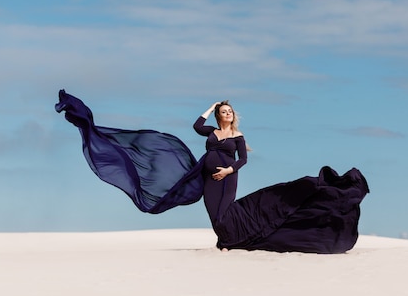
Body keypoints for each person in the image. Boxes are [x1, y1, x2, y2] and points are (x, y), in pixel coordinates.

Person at [55, 90, 369, 254]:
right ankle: (231, 242)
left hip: (226, 177)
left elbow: (243, 161)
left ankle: (233, 242)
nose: (225, 115)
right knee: (216, 218)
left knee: (224, 217)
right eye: (222, 112)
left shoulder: (237, 138)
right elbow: (195, 125)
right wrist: (210, 105)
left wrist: (226, 170)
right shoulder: (212, 133)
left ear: (235, 116)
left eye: (228, 112)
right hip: (207, 178)